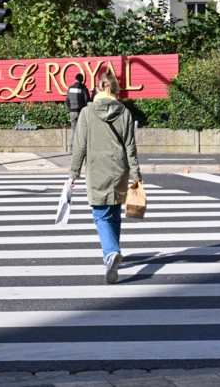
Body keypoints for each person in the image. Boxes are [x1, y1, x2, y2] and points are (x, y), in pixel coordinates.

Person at [68, 72, 142, 284]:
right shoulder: (125, 112)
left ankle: (111, 253)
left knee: (101, 215)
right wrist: (136, 175)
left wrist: (73, 173)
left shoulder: (87, 112)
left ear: (97, 90)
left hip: (96, 168)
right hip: (119, 168)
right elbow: (130, 147)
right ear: (116, 90)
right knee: (114, 213)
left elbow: (80, 147)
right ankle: (112, 253)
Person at [66, 73, 91, 152]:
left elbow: (67, 101)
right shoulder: (84, 89)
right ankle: (81, 148)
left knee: (74, 130)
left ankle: (71, 147)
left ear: (75, 79)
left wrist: (70, 110)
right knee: (82, 130)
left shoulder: (70, 89)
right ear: (82, 80)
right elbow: (87, 101)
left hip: (72, 112)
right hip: (81, 112)